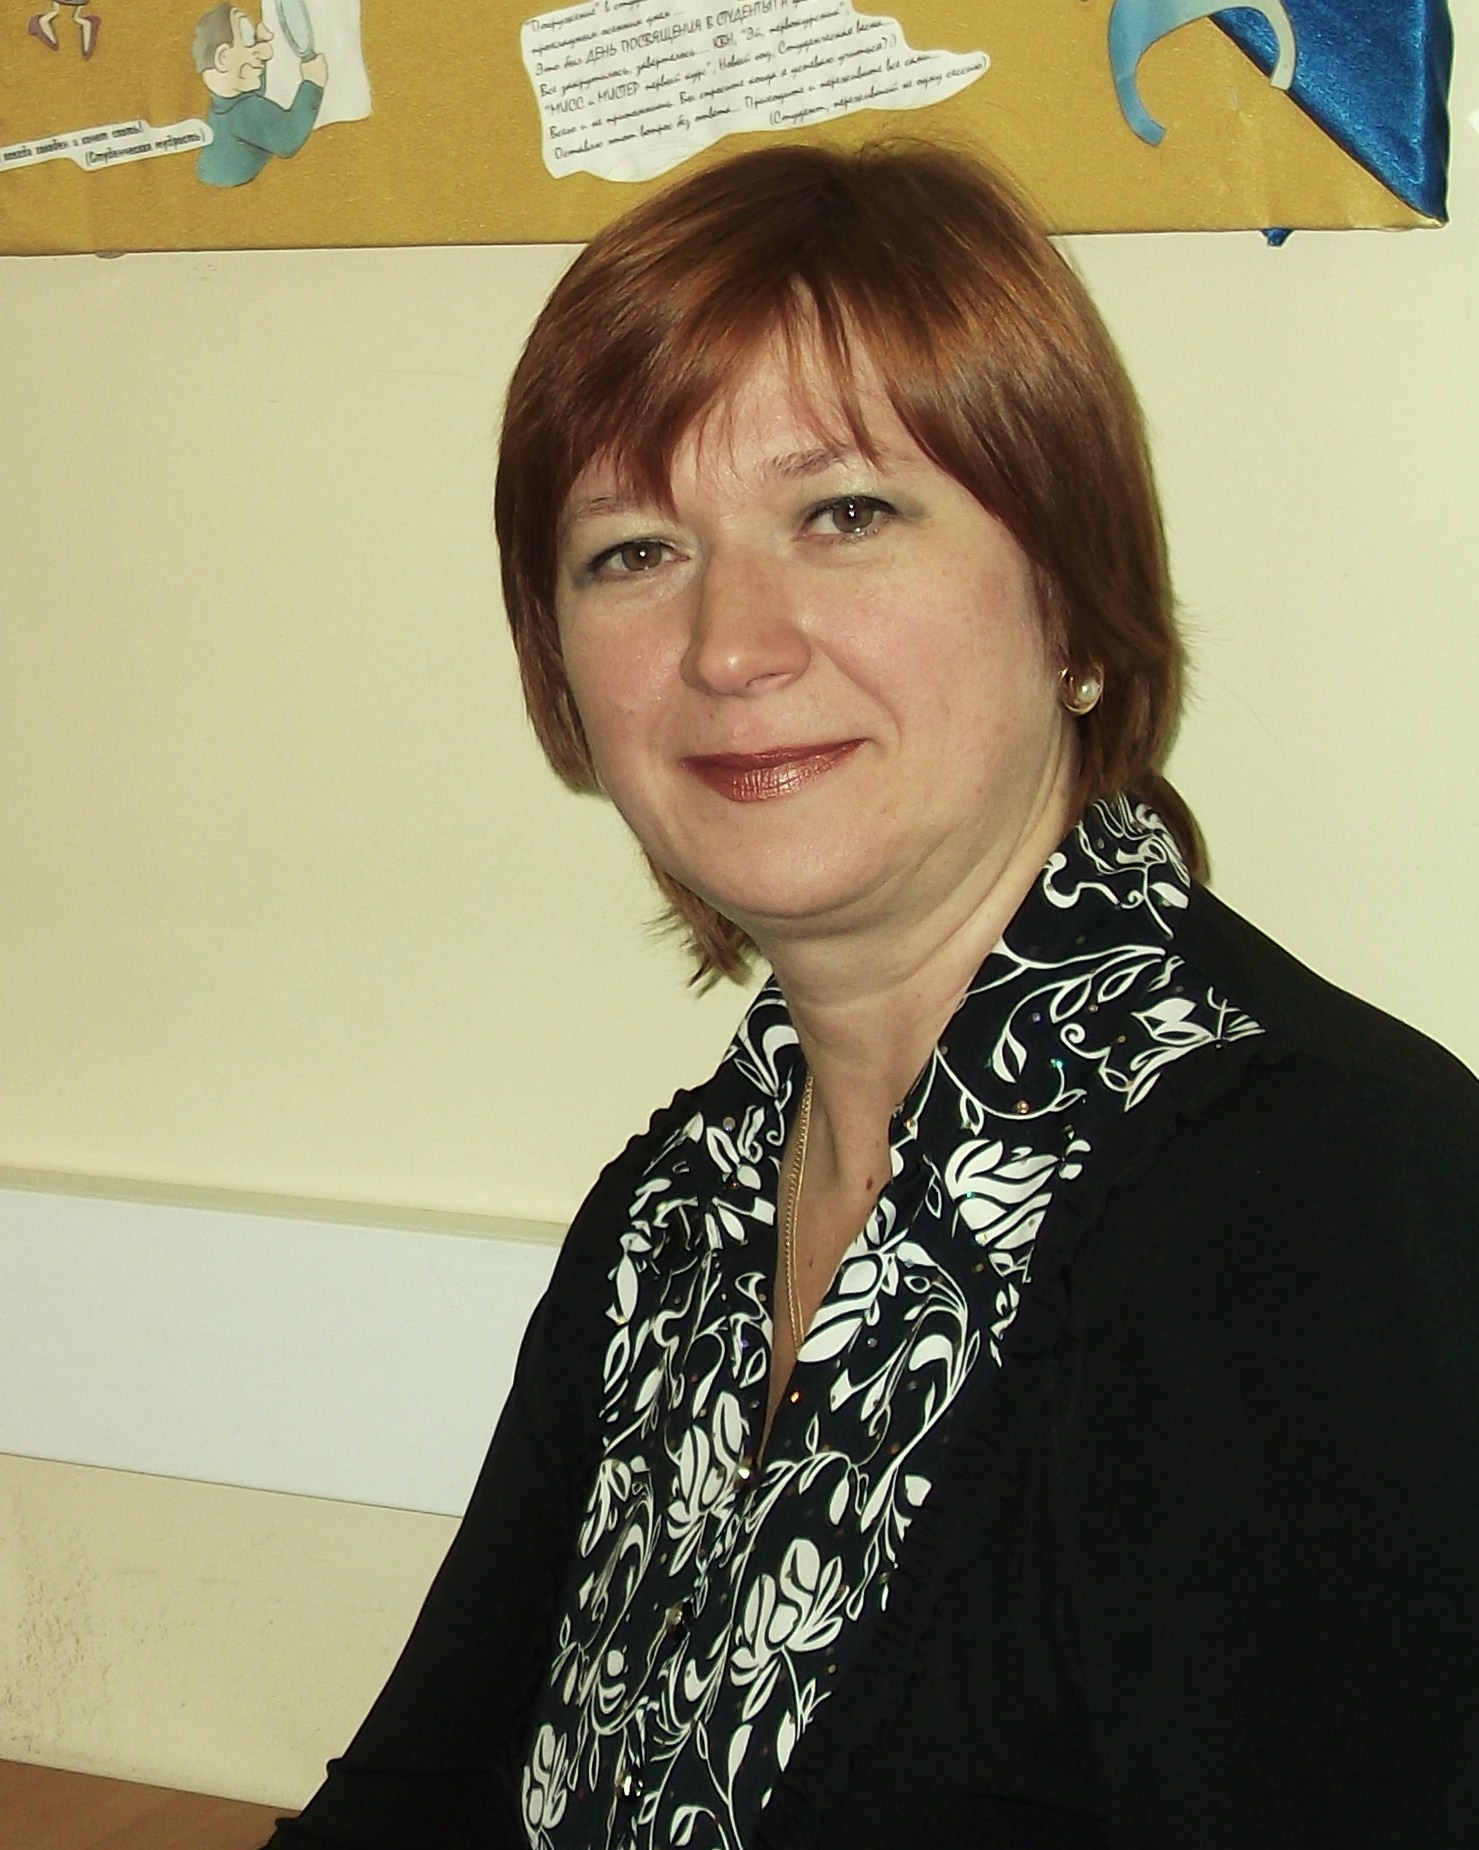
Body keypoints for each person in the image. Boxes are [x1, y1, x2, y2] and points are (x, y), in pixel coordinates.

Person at [262, 142, 1479, 1849]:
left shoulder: (1307, 1205)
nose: (729, 643)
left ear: (1069, 600)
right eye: (632, 550)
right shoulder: (682, 1214)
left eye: (843, 514)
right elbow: (411, 1803)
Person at [193, 3, 327, 189]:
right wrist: (312, 84)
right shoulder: (245, 110)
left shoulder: (225, 103)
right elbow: (288, 138)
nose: (265, 53)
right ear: (223, 57)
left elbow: (250, 88)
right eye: (248, 41)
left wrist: (258, 41)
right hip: (234, 197)